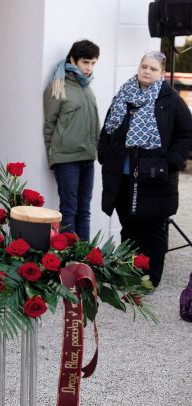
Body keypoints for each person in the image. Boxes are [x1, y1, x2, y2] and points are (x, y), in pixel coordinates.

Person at [98, 51, 192, 288]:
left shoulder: (170, 100)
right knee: (129, 227)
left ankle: (150, 278)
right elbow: (108, 128)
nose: (146, 71)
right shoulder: (124, 94)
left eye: (152, 68)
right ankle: (128, 273)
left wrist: (171, 162)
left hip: (155, 177)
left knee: (153, 230)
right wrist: (104, 153)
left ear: (161, 73)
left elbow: (187, 134)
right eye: (144, 66)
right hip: (123, 175)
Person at [43, 40, 101, 241]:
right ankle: (68, 261)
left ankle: (85, 261)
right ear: (72, 60)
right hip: (66, 159)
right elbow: (49, 124)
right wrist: (53, 156)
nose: (89, 68)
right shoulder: (58, 86)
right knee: (68, 210)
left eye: (93, 63)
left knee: (84, 210)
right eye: (85, 62)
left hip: (88, 157)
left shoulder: (87, 87)